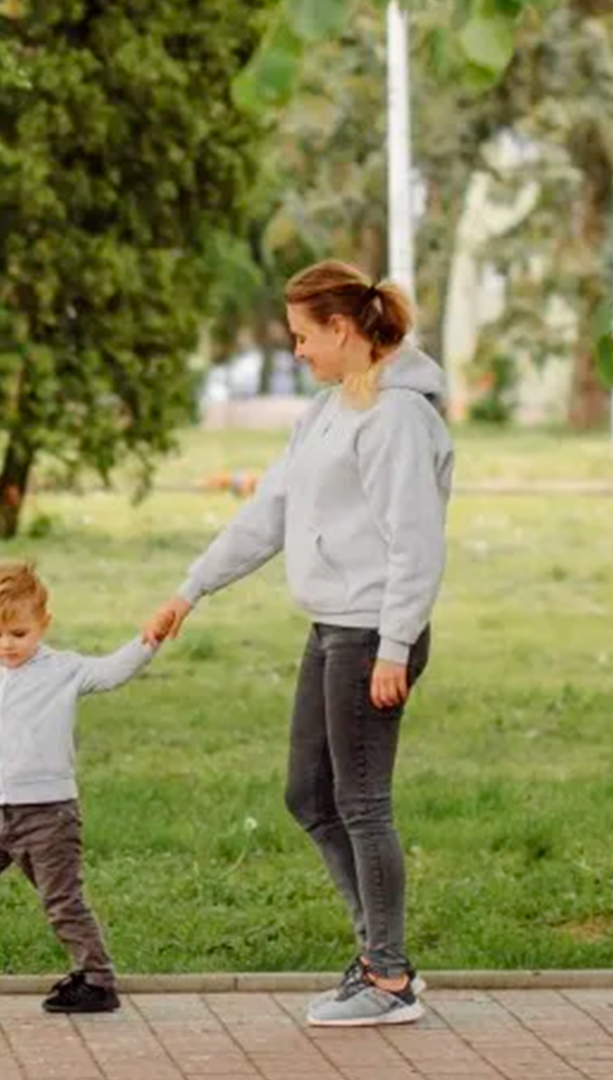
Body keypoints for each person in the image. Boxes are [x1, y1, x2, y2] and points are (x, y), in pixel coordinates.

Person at [143, 259, 454, 1027]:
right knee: (309, 795)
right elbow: (268, 513)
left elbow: (415, 542)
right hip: (333, 628)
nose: (297, 350)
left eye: (303, 335)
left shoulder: (398, 418)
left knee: (361, 802)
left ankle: (387, 978)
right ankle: (380, 958)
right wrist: (191, 589)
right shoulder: (326, 411)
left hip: (372, 633)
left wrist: (394, 645)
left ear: (342, 329)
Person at [0, 559, 158, 1012]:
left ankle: (97, 981)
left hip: (49, 816)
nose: (7, 644)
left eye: (19, 633)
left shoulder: (63, 670)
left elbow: (113, 670)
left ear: (44, 624)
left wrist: (150, 639)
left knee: (61, 901)